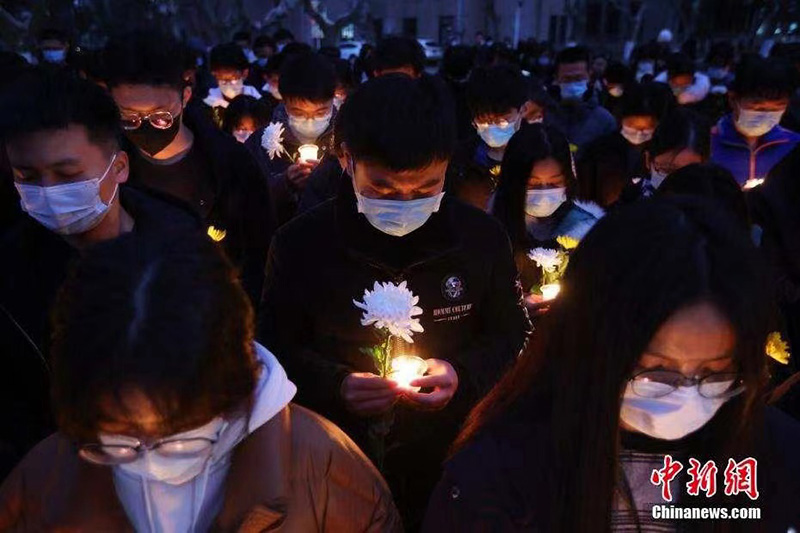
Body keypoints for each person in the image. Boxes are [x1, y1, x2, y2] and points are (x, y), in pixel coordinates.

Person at [423, 197, 800, 531]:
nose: (685, 395)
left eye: (715, 373)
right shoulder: (503, 474)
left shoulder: (773, 456)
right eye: (656, 370)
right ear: (589, 346)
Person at [258, 75, 530, 528]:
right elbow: (271, 348)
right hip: (337, 468)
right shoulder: (300, 244)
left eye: (426, 188)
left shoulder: (480, 239)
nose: (405, 201)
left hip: (454, 467)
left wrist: (461, 375)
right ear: (346, 159)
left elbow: (512, 333)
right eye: (383, 189)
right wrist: (336, 384)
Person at [0, 232, 403, 531]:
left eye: (180, 438)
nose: (149, 459)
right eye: (119, 440)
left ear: (234, 391)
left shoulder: (326, 470)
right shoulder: (44, 481)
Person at [0, 69, 202, 479]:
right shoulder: (9, 275)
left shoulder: (181, 242)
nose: (48, 191)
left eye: (68, 174)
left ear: (120, 166)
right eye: (28, 177)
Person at [102, 31, 274, 306]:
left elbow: (257, 258)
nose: (145, 125)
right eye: (129, 117)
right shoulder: (104, 167)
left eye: (160, 115)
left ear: (185, 96)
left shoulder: (231, 165)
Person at [492, 123, 602, 294]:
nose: (544, 193)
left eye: (554, 183)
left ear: (568, 179)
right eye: (533, 184)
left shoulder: (586, 232)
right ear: (513, 182)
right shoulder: (491, 230)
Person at [245, 52, 337, 226]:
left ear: (333, 100)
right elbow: (247, 201)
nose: (310, 121)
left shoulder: (348, 140)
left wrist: (327, 180)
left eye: (320, 112)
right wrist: (284, 184)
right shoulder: (261, 143)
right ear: (284, 102)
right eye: (298, 112)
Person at [447, 64, 535, 211]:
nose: (492, 126)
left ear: (523, 110)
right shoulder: (460, 160)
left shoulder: (541, 155)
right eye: (483, 120)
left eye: (501, 120)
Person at [578, 82, 675, 207]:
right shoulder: (599, 152)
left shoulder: (668, 156)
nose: (639, 133)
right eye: (632, 124)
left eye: (647, 127)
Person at [711, 55, 800, 187]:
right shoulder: (708, 143)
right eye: (758, 107)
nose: (766, 115)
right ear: (733, 99)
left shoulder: (794, 145)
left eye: (778, 107)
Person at [620, 108, 710, 202]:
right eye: (667, 170)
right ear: (648, 160)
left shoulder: (716, 208)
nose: (678, 181)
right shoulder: (626, 204)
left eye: (690, 172)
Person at [544, 46, 617, 160]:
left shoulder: (604, 121)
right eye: (567, 79)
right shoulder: (542, 115)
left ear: (589, 75)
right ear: (556, 78)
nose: (573, 84)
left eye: (578, 78)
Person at [203, 43, 263, 128]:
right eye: (222, 79)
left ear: (245, 73)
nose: (228, 84)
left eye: (233, 78)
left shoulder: (259, 103)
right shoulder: (207, 106)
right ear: (214, 75)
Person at [655, 53, 712, 118]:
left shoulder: (701, 84)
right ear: (670, 77)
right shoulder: (659, 83)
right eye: (680, 80)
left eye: (687, 80)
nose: (683, 84)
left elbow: (685, 98)